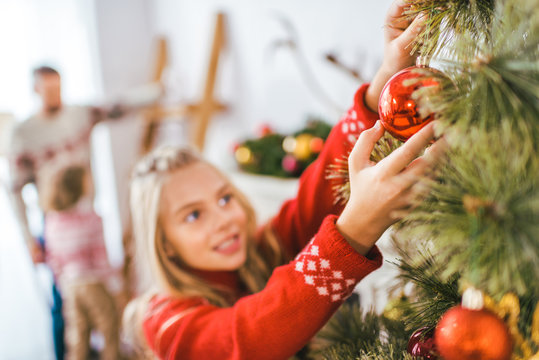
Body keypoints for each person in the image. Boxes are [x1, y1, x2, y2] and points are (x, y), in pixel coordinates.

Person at [124, 1, 442, 359]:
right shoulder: (165, 323)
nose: (224, 220)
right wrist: (355, 232)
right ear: (164, 242)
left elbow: (316, 196)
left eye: (225, 198)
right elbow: (247, 338)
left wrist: (385, 78)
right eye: (193, 215)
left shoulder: (257, 255)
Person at [7, 66, 120, 359]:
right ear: (35, 90)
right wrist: (29, 239)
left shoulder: (78, 115)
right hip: (53, 220)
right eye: (48, 89)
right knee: (69, 313)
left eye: (58, 87)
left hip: (78, 220)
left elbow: (119, 106)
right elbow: (15, 190)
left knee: (77, 322)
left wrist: (160, 91)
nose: (55, 94)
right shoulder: (23, 134)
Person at [40, 165, 120, 360]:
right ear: (78, 186)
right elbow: (100, 258)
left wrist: (62, 285)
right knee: (110, 329)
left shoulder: (52, 222)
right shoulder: (91, 219)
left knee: (77, 334)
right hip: (92, 282)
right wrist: (116, 286)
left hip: (70, 285)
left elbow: (54, 259)